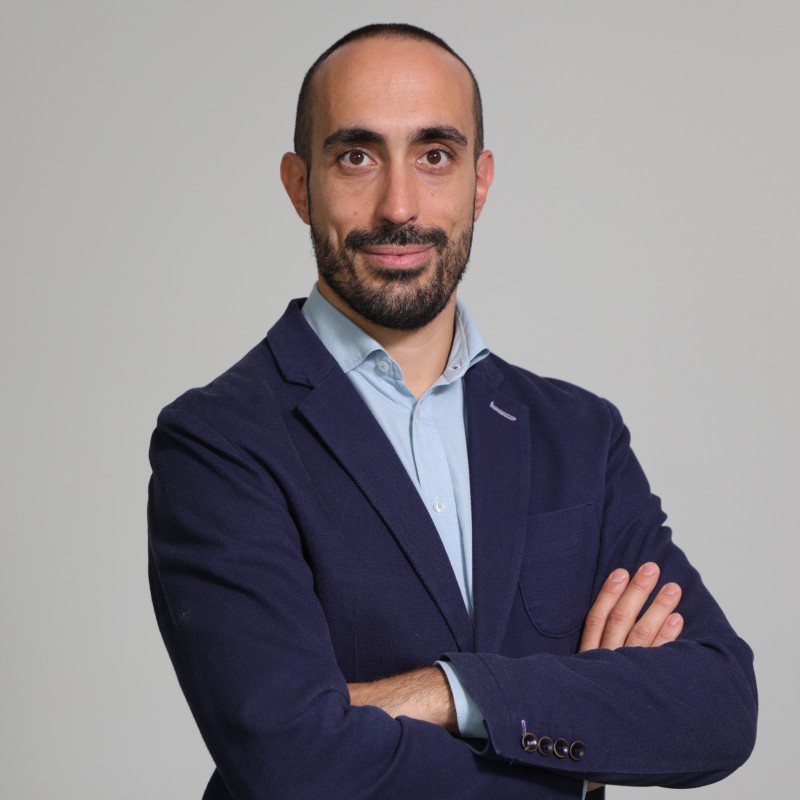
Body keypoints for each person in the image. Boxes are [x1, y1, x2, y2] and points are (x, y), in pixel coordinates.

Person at [148, 24, 757, 799]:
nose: (398, 205)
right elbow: (293, 765)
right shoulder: (218, 443)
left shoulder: (580, 437)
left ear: (480, 181)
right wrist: (579, 743)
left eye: (434, 155)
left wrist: (445, 691)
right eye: (357, 156)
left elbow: (719, 706)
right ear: (300, 186)